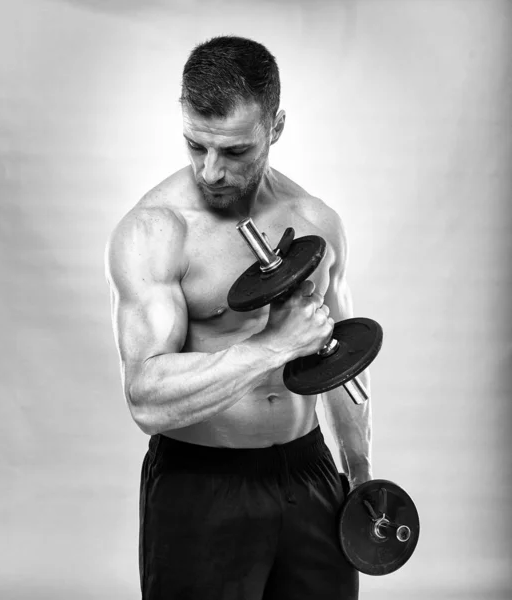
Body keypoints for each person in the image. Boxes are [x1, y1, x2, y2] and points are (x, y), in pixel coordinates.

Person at [106, 35, 372, 600]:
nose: (210, 171)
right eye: (195, 145)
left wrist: (360, 472)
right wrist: (275, 347)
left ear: (275, 127)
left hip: (310, 474)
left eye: (234, 152)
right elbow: (146, 397)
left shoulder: (316, 220)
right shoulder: (157, 230)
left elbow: (343, 364)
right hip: (202, 483)